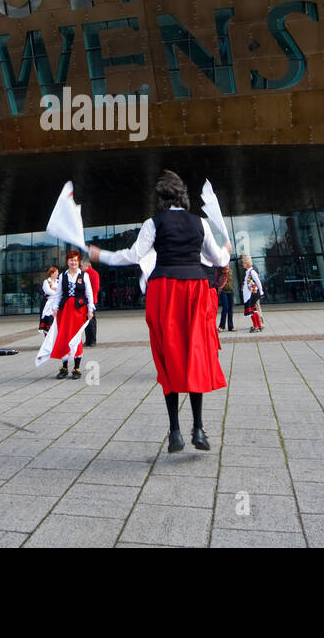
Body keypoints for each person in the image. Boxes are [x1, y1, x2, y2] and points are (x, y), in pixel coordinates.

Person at [91, 170, 231, 453]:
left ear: (161, 199)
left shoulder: (152, 223)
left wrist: (100, 255)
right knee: (195, 355)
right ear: (183, 197)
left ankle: (175, 432)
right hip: (194, 289)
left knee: (168, 357)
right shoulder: (200, 223)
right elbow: (217, 259)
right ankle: (199, 429)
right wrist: (227, 249)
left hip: (165, 290)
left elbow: (133, 256)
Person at [39, 251, 94, 380]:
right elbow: (58, 294)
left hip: (79, 310)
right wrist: (55, 308)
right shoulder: (63, 276)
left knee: (76, 337)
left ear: (79, 262)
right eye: (71, 260)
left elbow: (89, 294)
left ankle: (76, 368)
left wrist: (90, 309)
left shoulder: (84, 276)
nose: (73, 263)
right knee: (64, 337)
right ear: (67, 262)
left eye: (75, 260)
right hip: (65, 311)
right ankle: (64, 368)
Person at [241, 254, 265, 331]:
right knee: (253, 310)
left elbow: (258, 282)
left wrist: (261, 291)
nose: (243, 264)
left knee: (253, 310)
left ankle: (257, 325)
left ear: (247, 263)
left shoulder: (252, 272)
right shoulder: (247, 272)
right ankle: (257, 325)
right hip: (248, 294)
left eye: (244, 263)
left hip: (252, 294)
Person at [82, 256, 101, 347]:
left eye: (81, 265)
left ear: (86, 265)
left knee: (91, 321)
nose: (80, 267)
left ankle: (93, 340)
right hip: (84, 301)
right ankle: (88, 340)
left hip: (91, 300)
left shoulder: (93, 274)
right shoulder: (84, 274)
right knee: (86, 321)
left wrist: (91, 300)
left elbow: (96, 288)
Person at [39, 266, 59, 335]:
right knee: (48, 319)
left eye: (57, 272)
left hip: (56, 303)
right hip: (47, 304)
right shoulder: (46, 282)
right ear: (52, 273)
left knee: (56, 320)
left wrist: (55, 290)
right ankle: (48, 337)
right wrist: (56, 292)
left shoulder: (58, 282)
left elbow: (61, 291)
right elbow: (48, 291)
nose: (57, 274)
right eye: (56, 272)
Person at [216, 263, 234, 332]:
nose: (227, 266)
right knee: (225, 308)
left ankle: (231, 326)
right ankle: (221, 326)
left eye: (227, 265)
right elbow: (216, 281)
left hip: (230, 291)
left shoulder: (230, 271)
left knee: (230, 309)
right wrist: (219, 286)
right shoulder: (219, 272)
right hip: (223, 291)